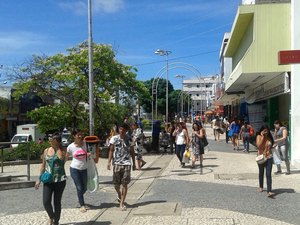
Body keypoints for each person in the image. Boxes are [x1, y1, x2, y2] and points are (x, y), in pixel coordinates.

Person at [35, 133, 67, 225]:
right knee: (46, 201)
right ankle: (51, 216)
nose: (49, 141)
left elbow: (62, 160)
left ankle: (56, 221)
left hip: (60, 180)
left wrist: (57, 148)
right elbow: (43, 165)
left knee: (57, 202)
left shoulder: (63, 150)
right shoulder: (46, 150)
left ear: (56, 141)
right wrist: (39, 179)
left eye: (51, 139)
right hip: (48, 179)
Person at [107, 123, 136, 211]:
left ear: (126, 130)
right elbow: (111, 150)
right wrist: (109, 162)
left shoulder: (130, 139)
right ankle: (119, 194)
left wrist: (134, 163)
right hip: (116, 163)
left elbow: (132, 152)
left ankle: (122, 203)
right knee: (116, 184)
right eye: (120, 129)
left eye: (123, 129)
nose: (121, 130)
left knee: (125, 183)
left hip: (126, 163)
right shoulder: (114, 138)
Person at [66, 129, 90, 213]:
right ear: (74, 136)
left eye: (81, 134)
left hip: (84, 169)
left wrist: (89, 155)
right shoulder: (70, 147)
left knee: (85, 187)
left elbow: (90, 154)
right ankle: (82, 204)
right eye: (78, 135)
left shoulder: (85, 144)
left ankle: (79, 198)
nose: (80, 136)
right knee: (79, 187)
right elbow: (66, 157)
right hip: (74, 169)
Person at [256, 125, 275, 197]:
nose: (266, 132)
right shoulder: (259, 137)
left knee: (268, 174)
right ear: (262, 131)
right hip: (261, 157)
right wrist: (263, 137)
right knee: (261, 172)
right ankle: (261, 186)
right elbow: (259, 146)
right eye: (264, 130)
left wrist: (273, 146)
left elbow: (271, 145)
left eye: (267, 131)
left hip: (269, 157)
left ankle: (269, 191)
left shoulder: (270, 138)